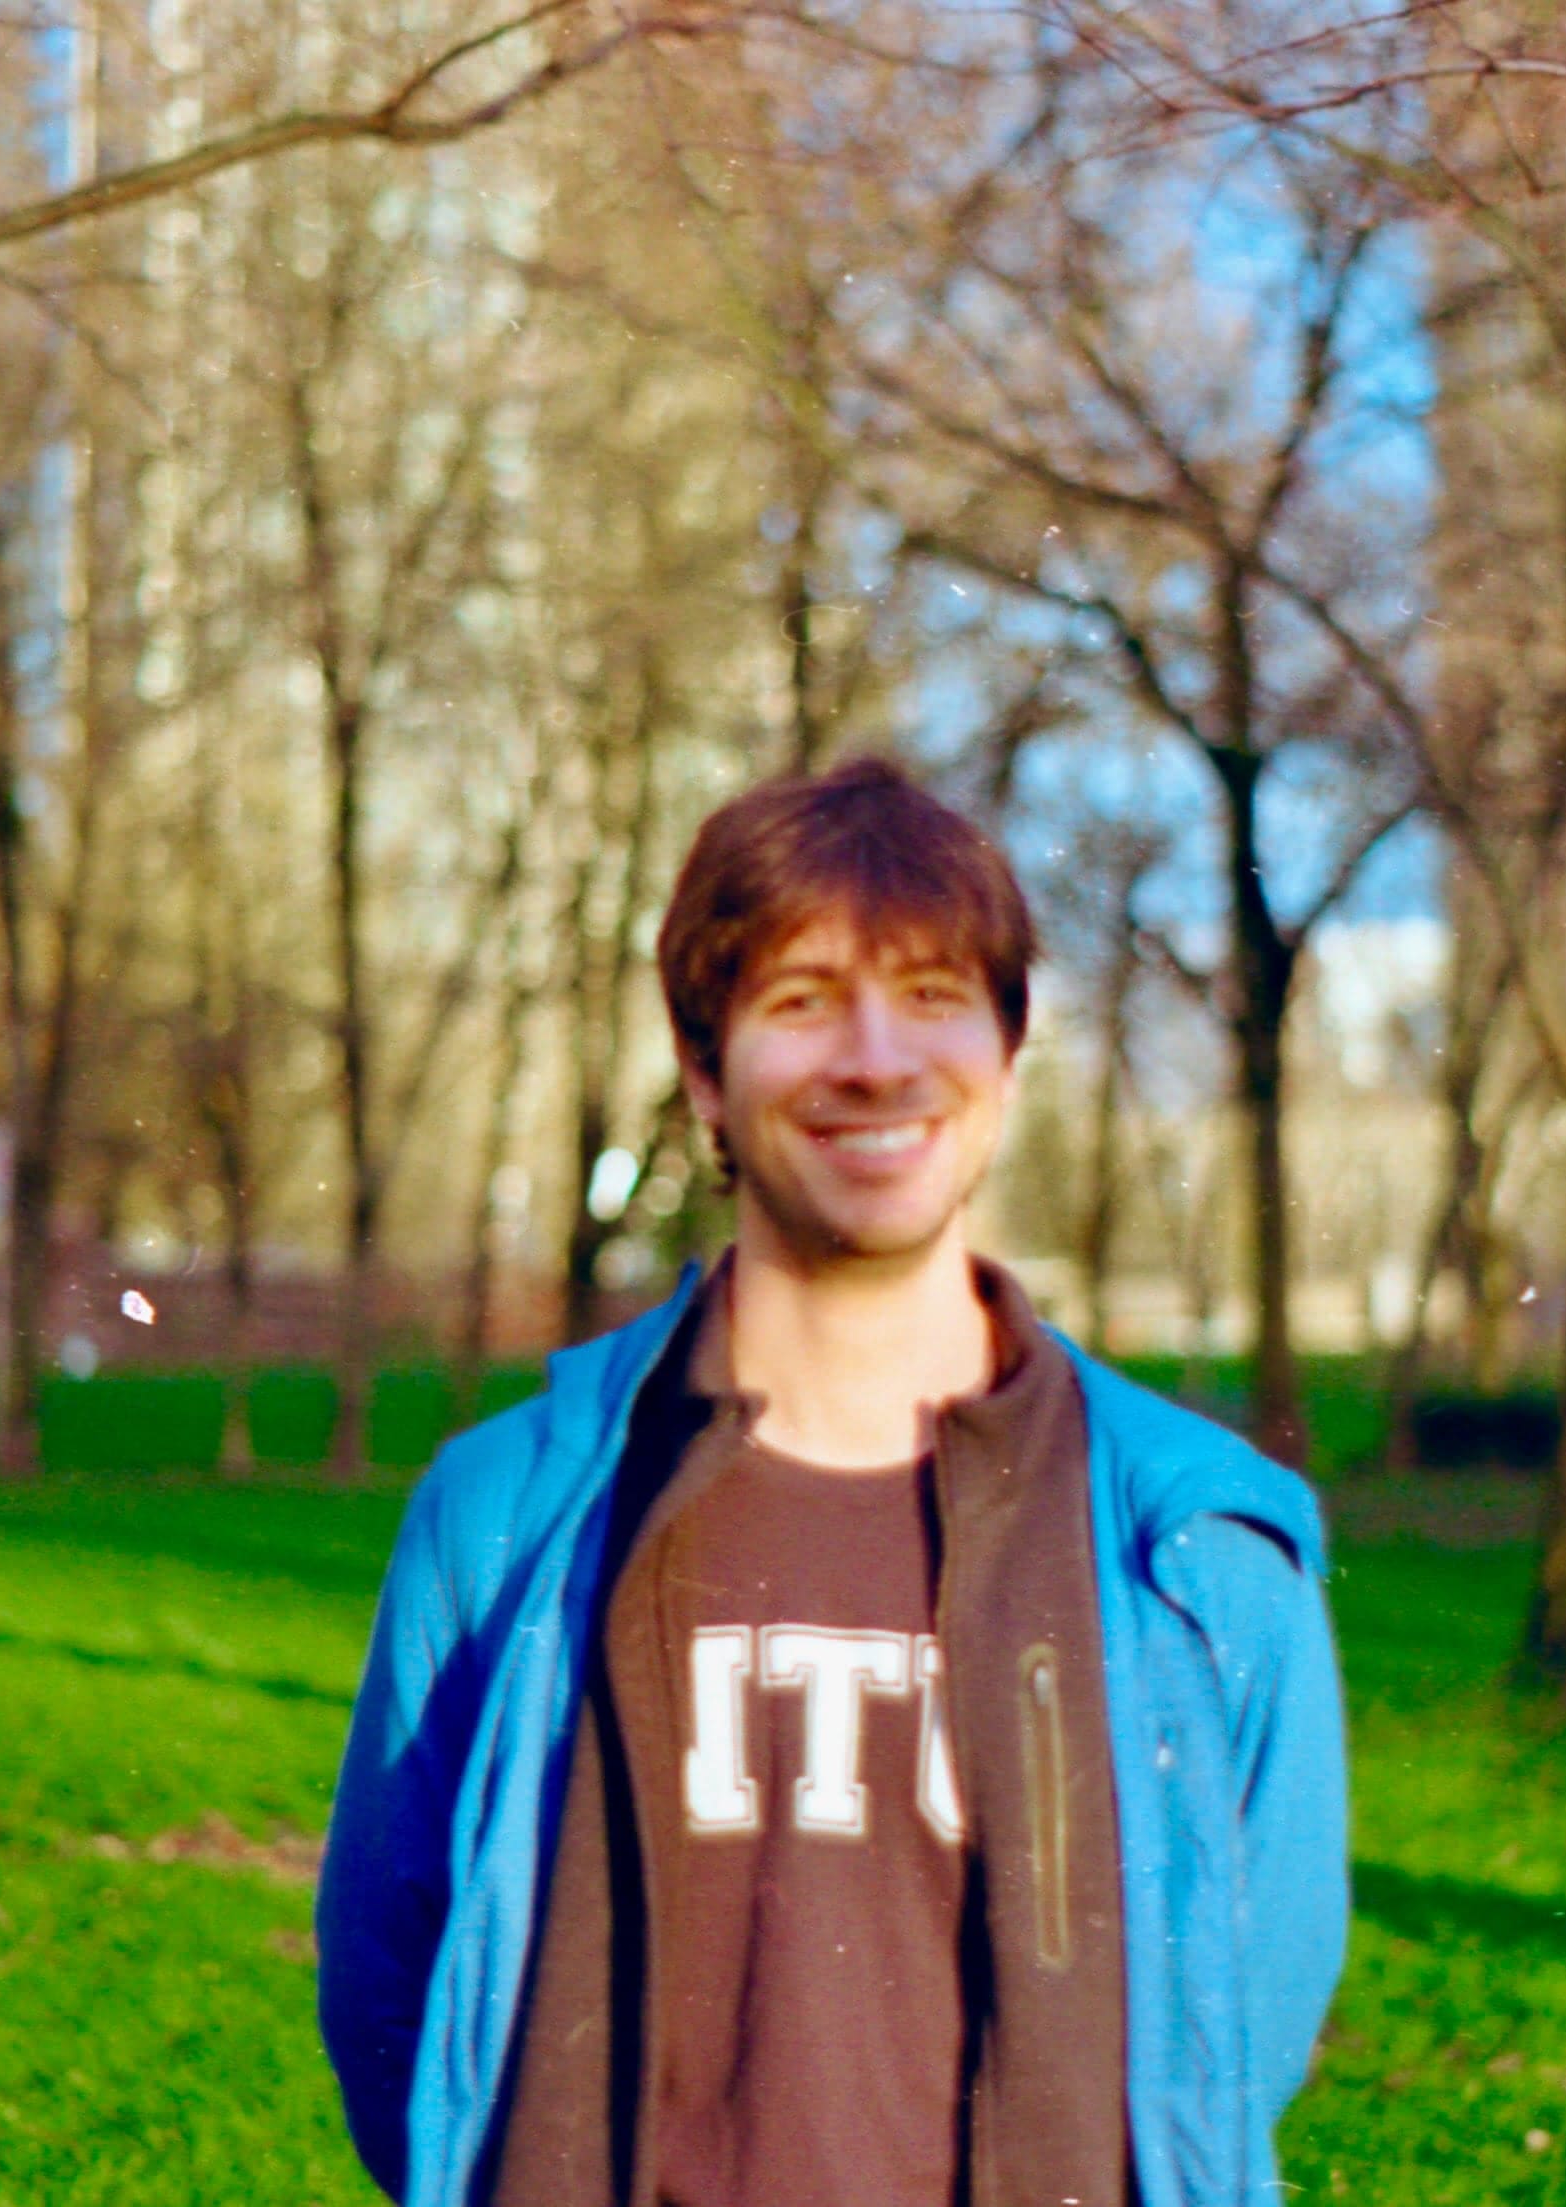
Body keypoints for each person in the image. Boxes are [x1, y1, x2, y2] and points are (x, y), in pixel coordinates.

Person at [316, 758, 1348, 2207]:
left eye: (932, 994)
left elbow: (1236, 2038)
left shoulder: (1201, 1553)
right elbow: (398, 2011)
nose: (875, 1059)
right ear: (704, 1072)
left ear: (1006, 1048)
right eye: (802, 1001)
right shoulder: (505, 1517)